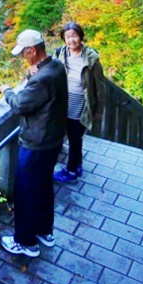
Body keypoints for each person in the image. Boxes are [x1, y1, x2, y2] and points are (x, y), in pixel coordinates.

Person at [0, 29, 67, 258]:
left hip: (36, 142)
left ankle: (25, 242)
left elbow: (20, 104)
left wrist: (7, 91)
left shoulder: (42, 78)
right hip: (53, 139)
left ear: (32, 50)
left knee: (26, 191)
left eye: (23, 53)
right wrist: (31, 76)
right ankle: (44, 231)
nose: (22, 57)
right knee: (43, 185)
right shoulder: (55, 67)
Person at [52, 21, 107, 182]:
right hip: (63, 103)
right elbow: (50, 72)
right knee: (64, 134)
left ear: (81, 37)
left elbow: (100, 87)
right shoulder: (59, 54)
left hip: (81, 104)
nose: (71, 40)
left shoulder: (91, 58)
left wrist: (98, 110)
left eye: (74, 36)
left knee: (75, 137)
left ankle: (71, 170)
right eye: (68, 37)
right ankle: (77, 163)